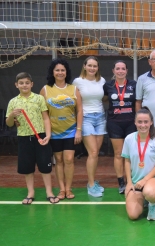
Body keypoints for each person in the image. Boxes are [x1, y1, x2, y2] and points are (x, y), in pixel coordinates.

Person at [6, 72, 59, 204]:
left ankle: (49, 192)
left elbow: (46, 118)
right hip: (24, 138)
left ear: (32, 84)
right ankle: (30, 193)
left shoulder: (39, 99)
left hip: (40, 137)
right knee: (27, 167)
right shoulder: (13, 102)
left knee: (45, 166)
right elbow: (9, 123)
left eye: (27, 83)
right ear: (16, 85)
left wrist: (48, 135)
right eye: (21, 83)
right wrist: (12, 115)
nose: (24, 85)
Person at [40, 58, 83, 200]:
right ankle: (62, 189)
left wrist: (78, 130)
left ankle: (69, 188)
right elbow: (42, 112)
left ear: (66, 72)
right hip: (53, 132)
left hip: (71, 130)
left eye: (62, 70)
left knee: (69, 159)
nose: (60, 72)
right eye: (57, 70)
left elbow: (79, 110)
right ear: (52, 72)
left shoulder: (74, 89)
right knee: (58, 160)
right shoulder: (45, 90)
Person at [122, 107, 155, 220]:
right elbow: (127, 161)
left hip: (153, 179)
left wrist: (145, 180)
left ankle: (152, 205)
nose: (143, 125)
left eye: (146, 122)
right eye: (140, 122)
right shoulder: (129, 139)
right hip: (136, 182)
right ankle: (144, 198)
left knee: (150, 192)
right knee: (133, 215)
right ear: (135, 122)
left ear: (151, 122)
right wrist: (129, 182)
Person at [72, 56, 106, 197]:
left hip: (101, 118)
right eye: (90, 65)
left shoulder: (102, 81)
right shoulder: (77, 82)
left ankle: (92, 181)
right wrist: (78, 128)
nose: (92, 68)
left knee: (95, 153)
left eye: (95, 66)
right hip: (86, 118)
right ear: (84, 66)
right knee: (92, 152)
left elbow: (102, 98)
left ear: (97, 68)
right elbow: (76, 105)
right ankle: (91, 185)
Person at [103, 60, 137, 194]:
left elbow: (137, 102)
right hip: (114, 123)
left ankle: (131, 180)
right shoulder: (108, 85)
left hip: (131, 123)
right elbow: (104, 99)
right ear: (113, 71)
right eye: (118, 68)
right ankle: (121, 183)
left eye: (123, 69)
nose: (120, 71)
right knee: (118, 154)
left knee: (131, 154)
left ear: (127, 71)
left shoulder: (133, 85)